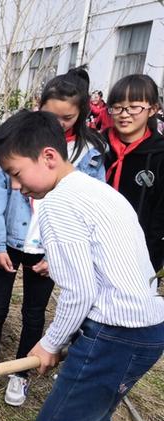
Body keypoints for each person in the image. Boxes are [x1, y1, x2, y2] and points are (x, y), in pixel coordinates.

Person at [0, 109, 164, 421]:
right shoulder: (96, 189)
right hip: (147, 329)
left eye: (15, 172)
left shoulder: (59, 204)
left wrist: (48, 343)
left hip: (115, 336)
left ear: (48, 157)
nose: (15, 185)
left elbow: (80, 292)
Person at [0, 68, 106, 406]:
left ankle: (20, 374)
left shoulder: (89, 153)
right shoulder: (17, 140)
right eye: (52, 115)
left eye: (67, 117)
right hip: (11, 240)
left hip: (49, 248)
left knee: (35, 312)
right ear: (38, 107)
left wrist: (57, 254)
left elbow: (92, 207)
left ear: (81, 116)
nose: (58, 124)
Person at [103, 74, 164, 273]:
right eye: (118, 106)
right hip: (96, 246)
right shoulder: (97, 147)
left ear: (153, 109)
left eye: (134, 107)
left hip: (141, 253)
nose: (124, 114)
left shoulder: (159, 154)